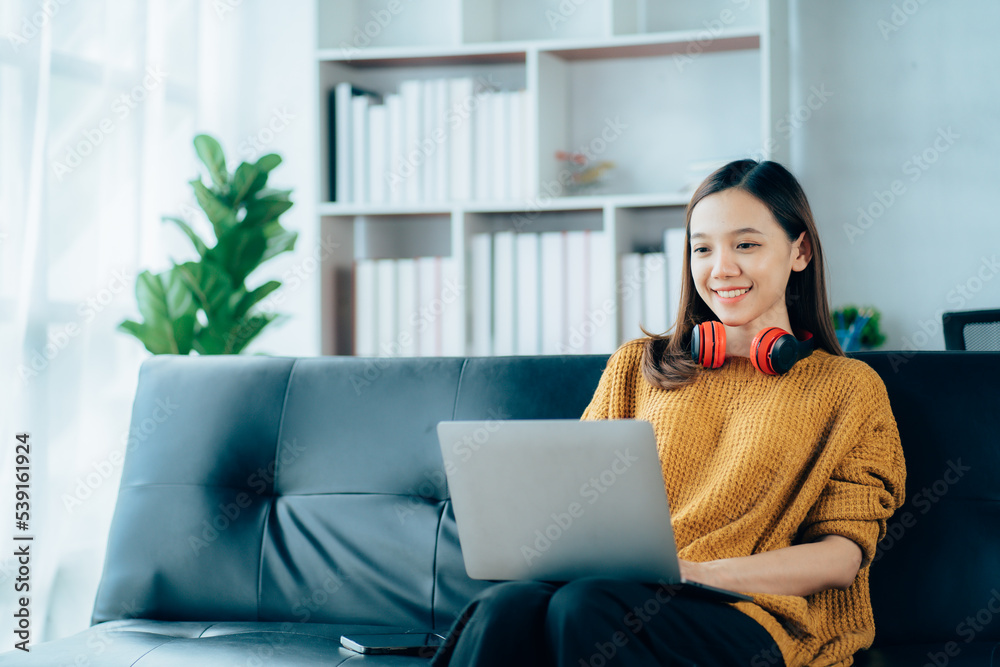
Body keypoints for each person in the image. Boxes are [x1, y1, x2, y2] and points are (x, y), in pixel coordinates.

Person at [429, 159, 907, 667]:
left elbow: (841, 558)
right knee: (507, 606)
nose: (720, 268)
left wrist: (701, 574)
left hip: (750, 615)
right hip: (616, 594)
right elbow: (579, 508)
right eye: (702, 248)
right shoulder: (637, 366)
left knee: (583, 607)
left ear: (800, 250)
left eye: (746, 244)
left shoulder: (849, 389)